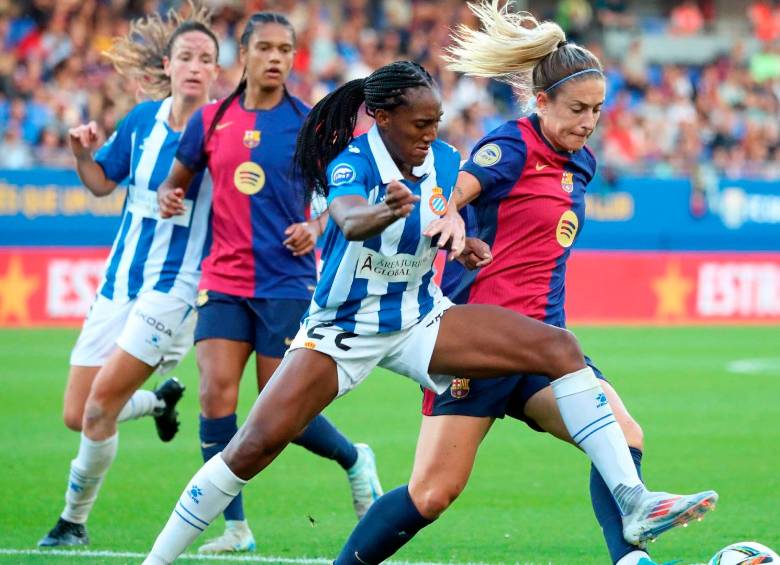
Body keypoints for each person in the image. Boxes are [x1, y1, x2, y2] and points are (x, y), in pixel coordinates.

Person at [143, 59, 714, 565]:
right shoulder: (352, 161)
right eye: (420, 124)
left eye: (436, 123)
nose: (431, 134)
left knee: (559, 348)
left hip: (421, 320)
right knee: (254, 447)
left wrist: (461, 241)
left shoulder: (442, 157)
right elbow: (346, 219)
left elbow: (447, 213)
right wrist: (384, 212)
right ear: (382, 118)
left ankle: (634, 503)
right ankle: (159, 558)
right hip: (343, 331)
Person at [333, 3, 718, 565]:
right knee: (432, 494)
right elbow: (461, 187)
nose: (588, 122)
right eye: (576, 109)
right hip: (482, 343)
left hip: (544, 349)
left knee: (624, 436)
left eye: (598, 110)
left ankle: (630, 557)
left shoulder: (579, 162)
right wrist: (451, 214)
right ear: (541, 102)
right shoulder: (510, 145)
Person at [154, 12, 382, 554]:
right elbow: (177, 181)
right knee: (214, 394)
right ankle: (235, 528)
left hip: (286, 281)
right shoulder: (210, 120)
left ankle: (354, 458)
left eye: (286, 49)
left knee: (282, 413)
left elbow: (342, 192)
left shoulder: (310, 123)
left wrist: (315, 223)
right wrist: (170, 196)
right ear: (245, 54)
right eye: (266, 48)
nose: (276, 57)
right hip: (223, 278)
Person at [38, 6, 220, 548]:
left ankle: (72, 522)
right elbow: (99, 183)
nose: (194, 66)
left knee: (98, 408)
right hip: (119, 284)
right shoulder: (142, 120)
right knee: (78, 413)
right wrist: (81, 154)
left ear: (216, 72)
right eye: (185, 56)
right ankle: (160, 403)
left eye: (205, 59)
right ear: (168, 64)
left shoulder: (223, 132)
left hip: (174, 291)